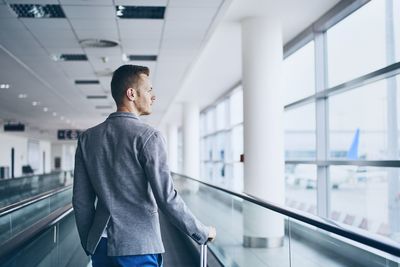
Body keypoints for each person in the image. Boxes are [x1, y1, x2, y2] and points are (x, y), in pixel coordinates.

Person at [73, 65, 216, 267]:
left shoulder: (87, 138)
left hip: (101, 246)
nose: (153, 96)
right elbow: (166, 199)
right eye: (149, 90)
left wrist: (89, 242)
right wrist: (201, 231)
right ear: (131, 93)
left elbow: (81, 201)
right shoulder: (149, 137)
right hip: (138, 247)